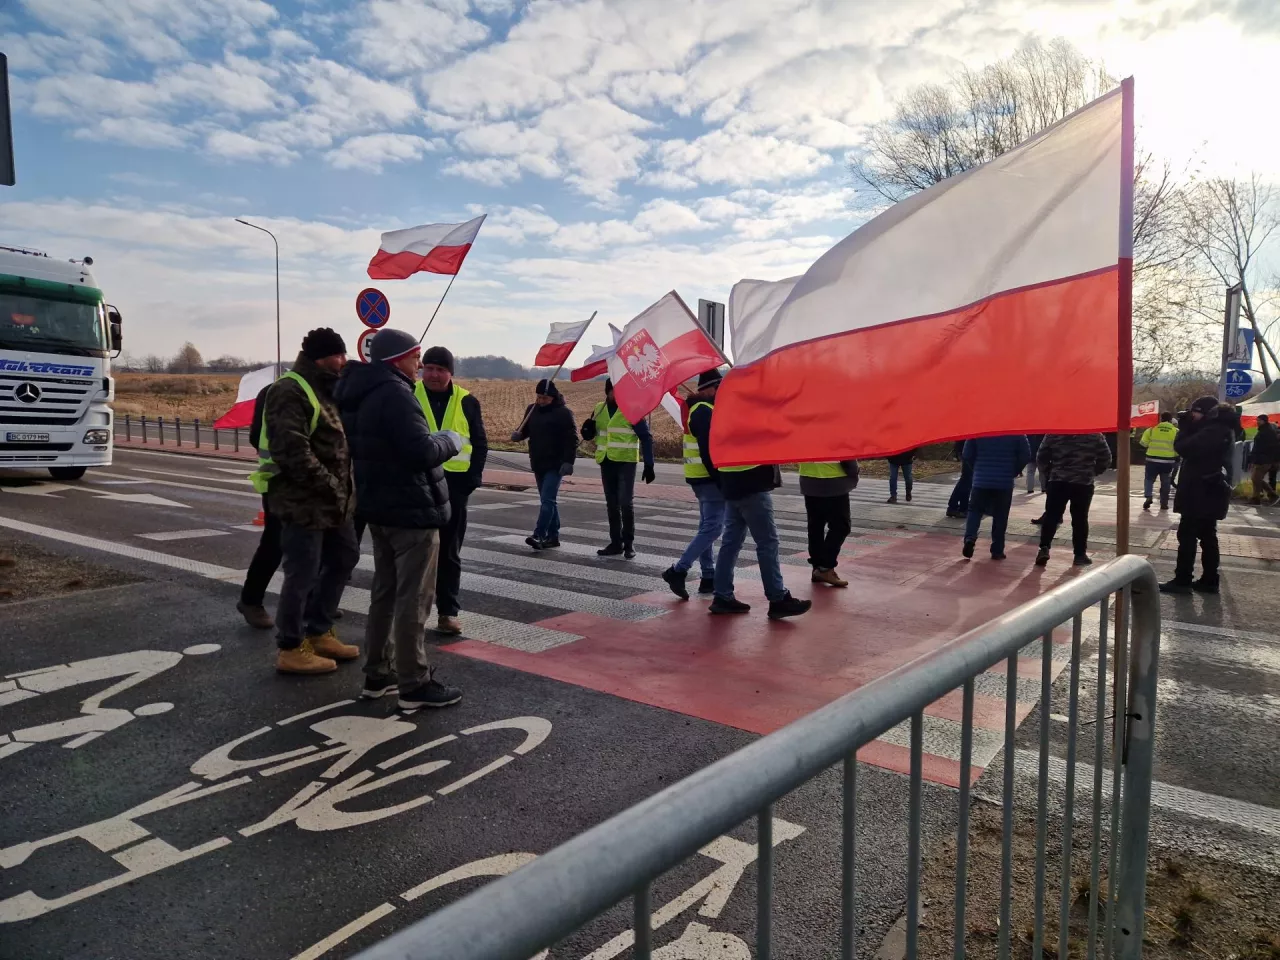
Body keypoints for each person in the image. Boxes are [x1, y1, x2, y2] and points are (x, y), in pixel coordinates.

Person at [337, 328, 465, 709]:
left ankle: (378, 673)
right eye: (416, 357)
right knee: (415, 598)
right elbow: (418, 452)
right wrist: (449, 440)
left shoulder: (358, 392)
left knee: (385, 593)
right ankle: (414, 683)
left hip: (378, 506)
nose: (420, 365)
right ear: (397, 359)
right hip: (411, 509)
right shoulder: (396, 394)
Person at [253, 328, 360, 675]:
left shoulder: (328, 387)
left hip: (334, 500)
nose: (343, 361)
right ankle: (290, 645)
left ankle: (318, 629)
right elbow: (292, 449)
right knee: (302, 572)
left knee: (345, 556)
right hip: (303, 499)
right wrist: (330, 484)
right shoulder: (290, 390)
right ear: (319, 358)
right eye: (338, 355)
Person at [702, 406, 811, 620]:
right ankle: (777, 598)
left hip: (730, 482)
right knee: (767, 542)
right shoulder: (751, 415)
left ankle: (722, 596)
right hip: (751, 484)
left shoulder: (723, 414)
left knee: (730, 544)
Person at [414, 346, 488, 636]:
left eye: (440, 369)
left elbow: (480, 443)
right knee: (416, 552)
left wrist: (473, 479)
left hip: (455, 486)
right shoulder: (408, 395)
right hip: (416, 484)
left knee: (449, 552)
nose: (433, 374)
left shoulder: (467, 401)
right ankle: (413, 613)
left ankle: (448, 613)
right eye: (428, 368)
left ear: (450, 373)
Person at [1161, 397, 1238, 594]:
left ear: (1208, 413)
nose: (1191, 415)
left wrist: (1185, 428)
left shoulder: (1214, 431)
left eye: (1195, 412)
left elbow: (1184, 448)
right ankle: (1209, 580)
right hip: (1210, 491)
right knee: (1207, 536)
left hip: (1201, 492)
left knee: (1188, 536)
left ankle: (1183, 579)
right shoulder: (1219, 428)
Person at [662, 371, 725, 599]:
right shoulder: (703, 411)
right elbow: (709, 451)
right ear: (710, 388)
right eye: (719, 388)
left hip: (699, 477)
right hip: (708, 478)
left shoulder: (697, 409)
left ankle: (708, 576)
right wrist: (720, 478)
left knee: (706, 527)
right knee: (713, 528)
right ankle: (679, 570)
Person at [581, 378, 656, 559]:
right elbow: (592, 434)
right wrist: (587, 430)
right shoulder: (599, 409)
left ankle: (629, 544)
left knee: (625, 503)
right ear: (607, 391)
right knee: (612, 505)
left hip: (625, 462)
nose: (618, 394)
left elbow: (646, 437)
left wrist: (649, 464)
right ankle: (616, 543)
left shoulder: (633, 409)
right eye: (615, 391)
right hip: (606, 461)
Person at [512, 379, 577, 550]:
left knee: (547, 500)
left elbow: (572, 440)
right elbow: (525, 430)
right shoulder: (532, 410)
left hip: (555, 464)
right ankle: (553, 537)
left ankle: (539, 534)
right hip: (538, 461)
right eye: (539, 397)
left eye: (544, 398)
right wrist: (518, 435)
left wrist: (569, 462)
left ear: (553, 398)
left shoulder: (564, 413)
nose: (541, 401)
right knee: (548, 500)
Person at [237, 380, 280, 629]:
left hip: (309, 484)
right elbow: (257, 436)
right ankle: (251, 600)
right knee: (276, 543)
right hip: (278, 482)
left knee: (316, 544)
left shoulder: (323, 387)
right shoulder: (277, 392)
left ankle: (314, 599)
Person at [1033, 432, 1112, 567]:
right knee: (1080, 519)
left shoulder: (1053, 434)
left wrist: (1048, 472)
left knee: (1052, 516)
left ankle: (1044, 548)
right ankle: (1080, 555)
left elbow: (1041, 456)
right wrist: (1092, 471)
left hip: (1058, 480)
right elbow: (1106, 458)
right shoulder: (1095, 435)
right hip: (1083, 482)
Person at [961, 435, 1030, 560]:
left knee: (975, 511)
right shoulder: (1017, 432)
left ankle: (970, 538)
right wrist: (1014, 470)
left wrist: (976, 468)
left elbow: (967, 454)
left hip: (981, 480)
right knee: (1001, 515)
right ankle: (997, 549)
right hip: (1004, 482)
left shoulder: (979, 429)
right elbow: (1025, 454)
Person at [800, 459, 859, 587]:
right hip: (833, 480)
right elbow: (845, 452)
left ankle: (817, 568)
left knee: (815, 526)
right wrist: (854, 471)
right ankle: (825, 568)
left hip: (808, 479)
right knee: (841, 526)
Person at [1139, 413, 1179, 511]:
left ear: (1161, 419)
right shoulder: (1176, 431)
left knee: (1149, 479)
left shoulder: (1152, 429)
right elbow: (1179, 447)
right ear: (1170, 420)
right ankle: (1164, 503)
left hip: (1151, 460)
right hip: (1168, 461)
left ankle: (1148, 496)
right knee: (1166, 482)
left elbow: (1143, 443)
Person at [1248, 413, 1280, 505]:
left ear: (1264, 421)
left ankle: (1272, 495)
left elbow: (1265, 447)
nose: (1257, 422)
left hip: (1263, 459)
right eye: (1257, 420)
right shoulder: (1264, 430)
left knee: (1256, 478)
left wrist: (1258, 456)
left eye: (1259, 420)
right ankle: (1256, 498)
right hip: (1262, 458)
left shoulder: (1267, 432)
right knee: (1256, 479)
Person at [946, 440, 972, 518]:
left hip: (966, 449)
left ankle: (962, 507)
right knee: (966, 481)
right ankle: (954, 507)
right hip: (968, 450)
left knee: (967, 481)